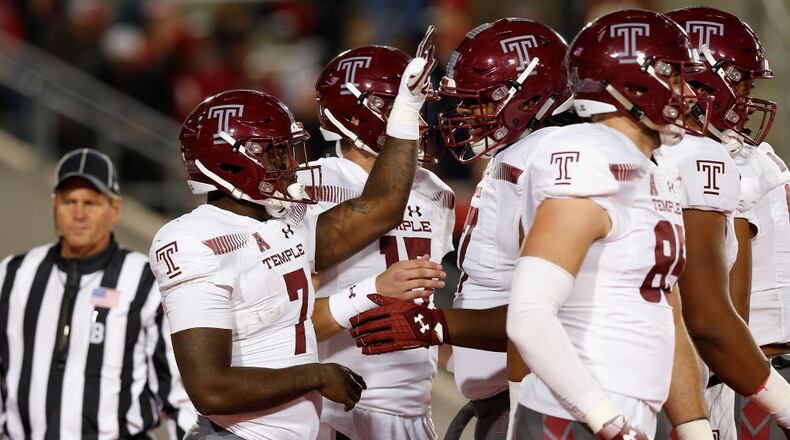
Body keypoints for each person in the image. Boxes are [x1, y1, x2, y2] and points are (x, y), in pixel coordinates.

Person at [349, 16, 709, 439]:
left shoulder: (556, 157)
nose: (465, 114)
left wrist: (437, 325)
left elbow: (535, 312)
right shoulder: (555, 156)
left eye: (479, 100)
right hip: (573, 405)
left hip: (571, 403)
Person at [148, 26, 437, 440]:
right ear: (231, 162)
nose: (289, 164)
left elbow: (383, 207)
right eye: (275, 152)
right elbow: (209, 388)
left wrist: (406, 106)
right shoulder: (192, 240)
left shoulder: (285, 221)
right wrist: (313, 376)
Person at [504, 9, 706, 438]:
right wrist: (607, 421)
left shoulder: (653, 169)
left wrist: (698, 431)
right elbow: (528, 314)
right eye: (675, 75)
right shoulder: (590, 154)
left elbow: (664, 316)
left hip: (622, 415)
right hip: (575, 419)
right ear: (633, 83)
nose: (687, 91)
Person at [304, 43, 455, 440]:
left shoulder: (436, 192)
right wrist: (370, 292)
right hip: (337, 409)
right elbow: (285, 322)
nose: (419, 121)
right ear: (359, 111)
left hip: (414, 407)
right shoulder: (310, 186)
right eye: (402, 106)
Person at [0, 148, 195, 439]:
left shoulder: (145, 281)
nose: (79, 214)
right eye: (69, 202)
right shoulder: (13, 274)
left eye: (91, 203)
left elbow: (180, 391)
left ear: (114, 209)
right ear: (55, 205)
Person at [659, 7, 790, 438]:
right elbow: (729, 310)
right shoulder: (722, 160)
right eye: (740, 79)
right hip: (740, 371)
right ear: (698, 79)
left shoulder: (739, 157)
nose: (747, 94)